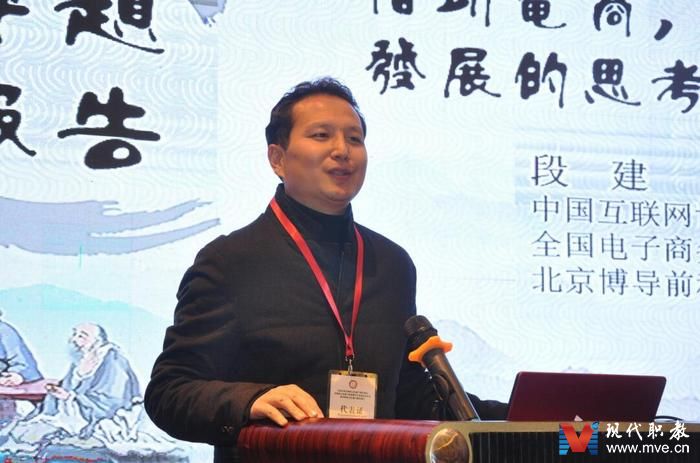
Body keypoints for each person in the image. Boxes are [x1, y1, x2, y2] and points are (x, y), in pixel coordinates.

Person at [144, 77, 508, 463]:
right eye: (321, 135)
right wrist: (250, 400)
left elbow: (407, 396)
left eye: (354, 139)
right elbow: (169, 392)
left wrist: (519, 413)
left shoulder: (392, 264)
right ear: (277, 159)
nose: (342, 151)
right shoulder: (231, 261)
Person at [8, 322, 141, 445]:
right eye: (75, 334)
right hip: (71, 412)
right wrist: (58, 392)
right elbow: (67, 387)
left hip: (96, 415)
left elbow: (112, 400)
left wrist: (70, 397)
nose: (74, 339)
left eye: (82, 336)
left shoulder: (113, 360)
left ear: (97, 341)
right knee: (23, 431)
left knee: (35, 435)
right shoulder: (80, 359)